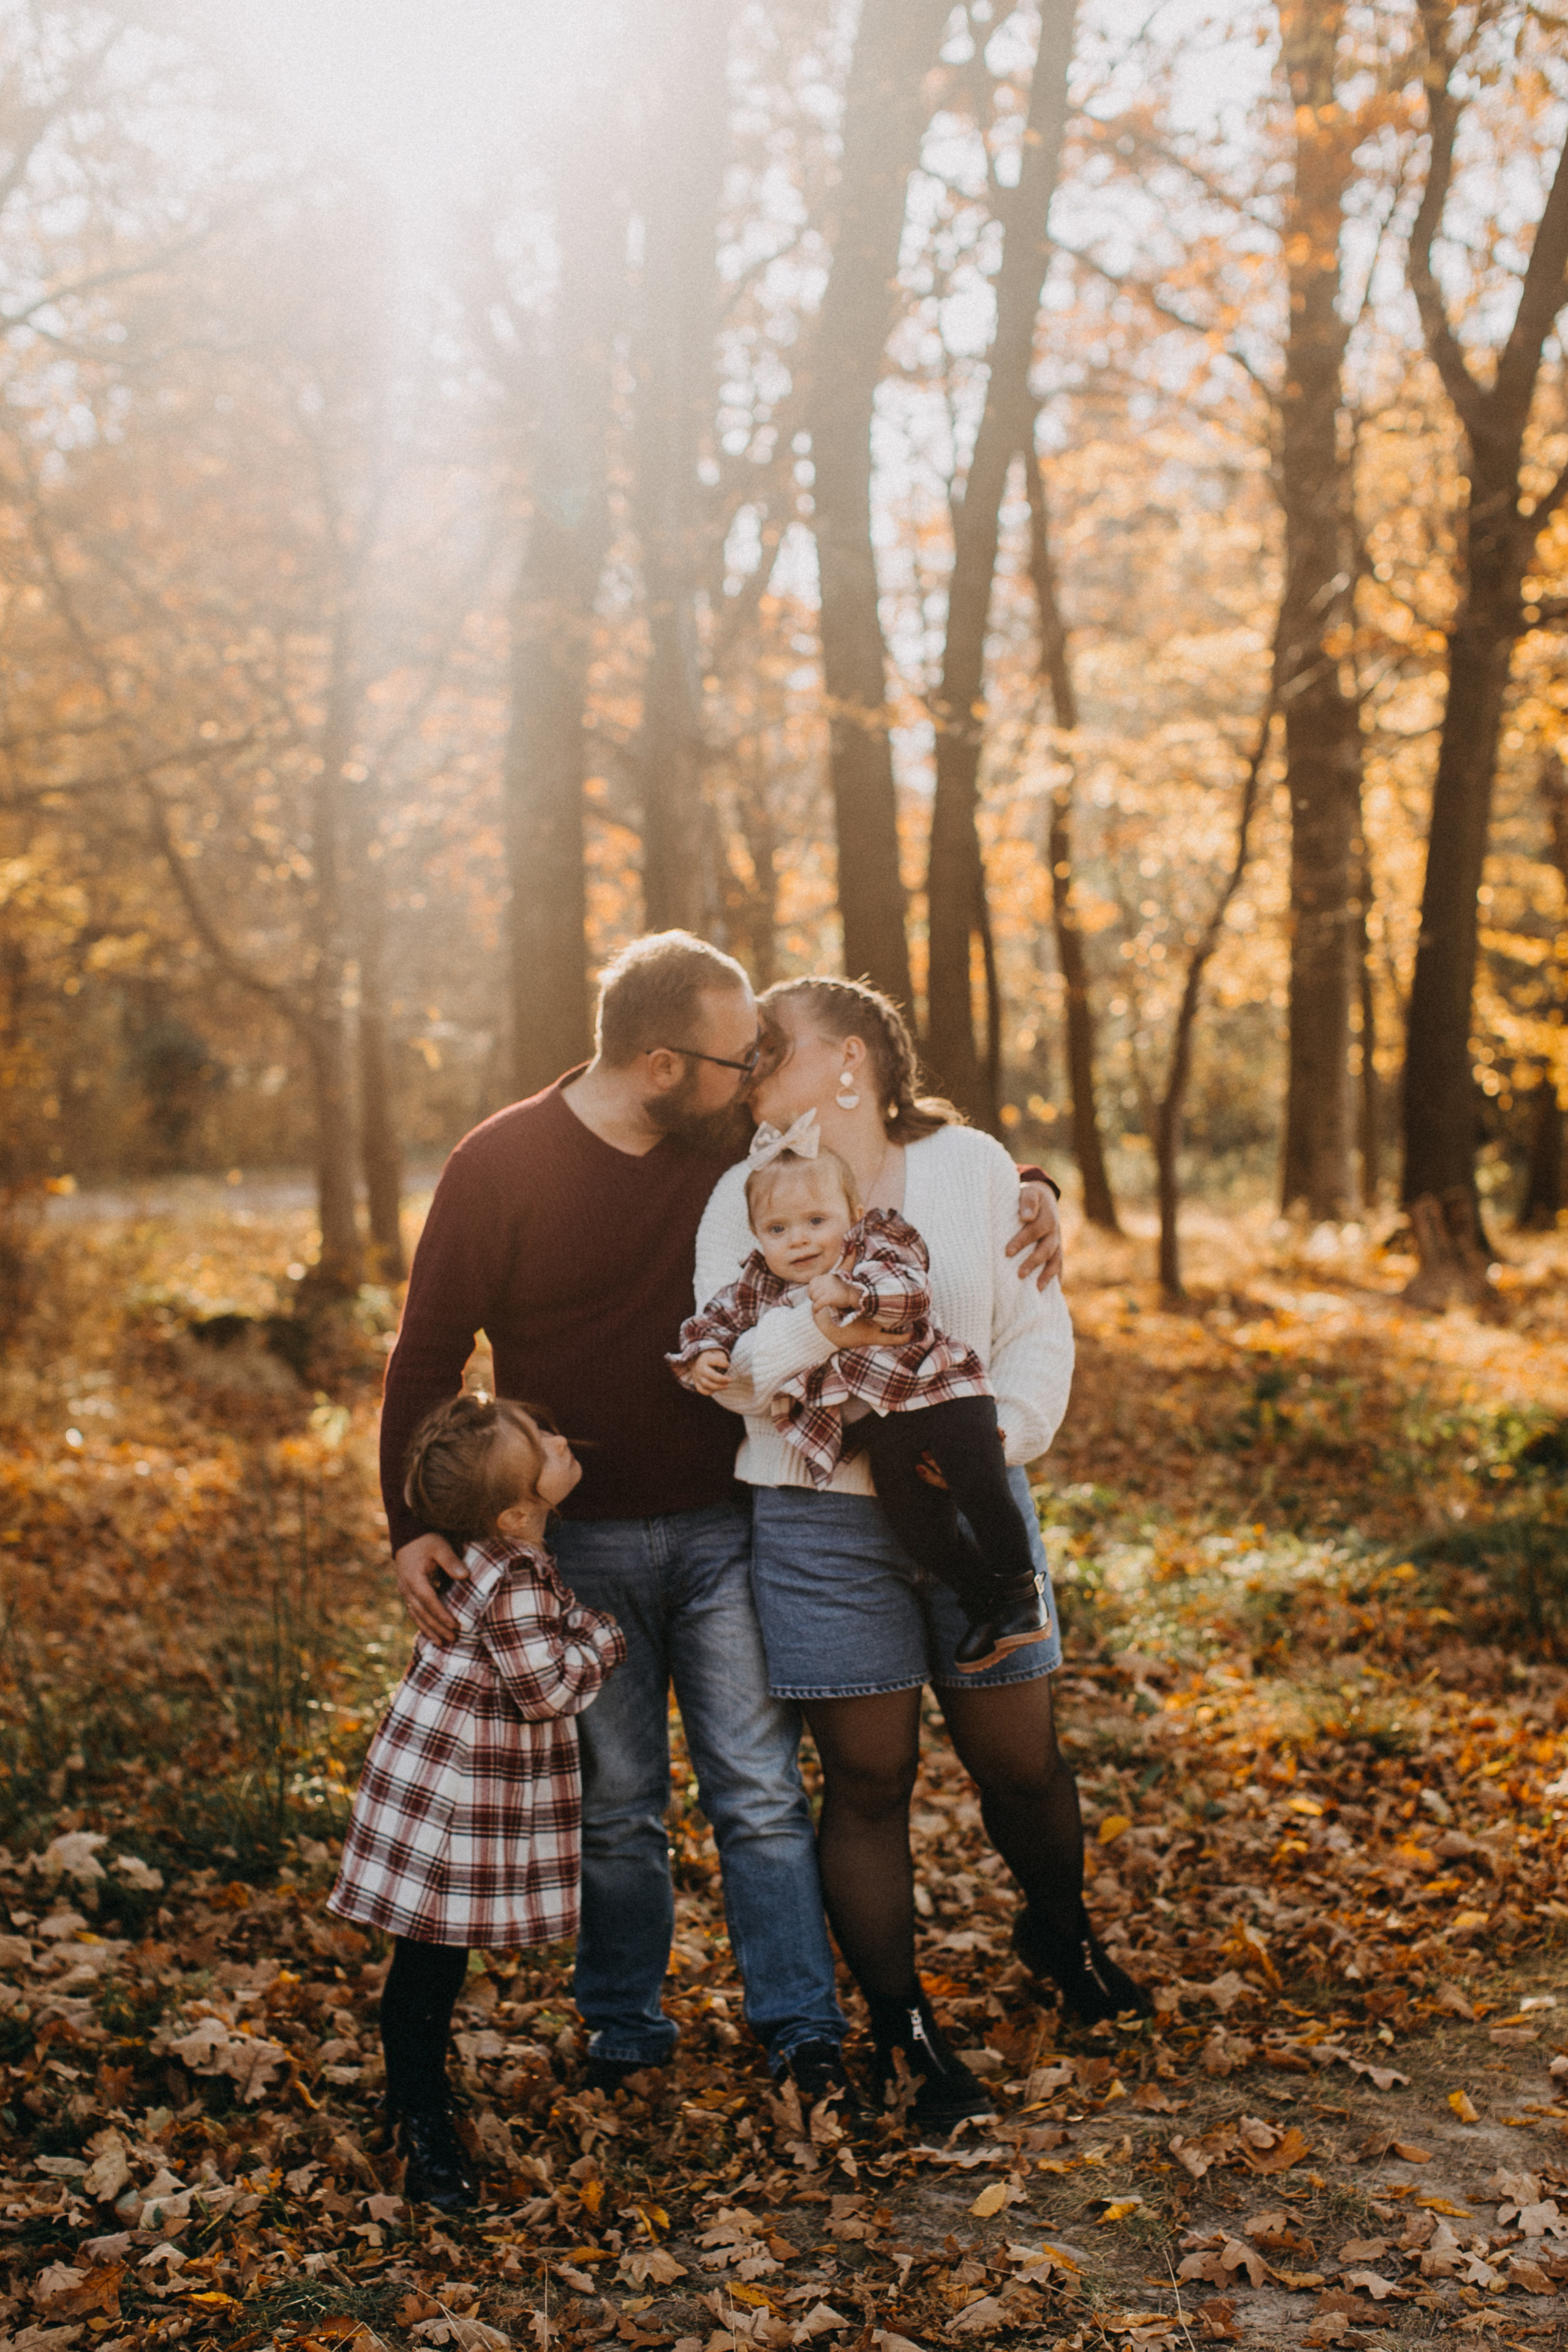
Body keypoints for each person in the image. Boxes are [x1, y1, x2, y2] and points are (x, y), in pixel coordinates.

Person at [382, 930, 1064, 2100]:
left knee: (758, 1791)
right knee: (622, 1805)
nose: (750, 1074)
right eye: (731, 1056)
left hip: (725, 1524)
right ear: (660, 1063)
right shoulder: (502, 1164)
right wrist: (409, 1522)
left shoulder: (733, 1153)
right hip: (581, 1540)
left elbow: (894, 1165)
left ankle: (801, 2027)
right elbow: (430, 1348)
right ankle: (626, 2030)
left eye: (762, 1054)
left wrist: (1044, 1184)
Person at [695, 976, 1152, 2125]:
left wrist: (997, 1439)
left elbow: (1040, 1325)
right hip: (819, 1523)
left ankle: (1061, 1931)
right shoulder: (740, 1196)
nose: (750, 1072)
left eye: (771, 1051)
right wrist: (825, 1323)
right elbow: (735, 1372)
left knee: (1020, 1760)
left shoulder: (978, 1169)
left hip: (973, 1502)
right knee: (868, 1781)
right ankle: (904, 2033)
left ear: (848, 1059)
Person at [330, 1393, 625, 2211]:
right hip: (460, 1795)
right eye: (547, 1444)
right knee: (429, 1960)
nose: (564, 1441)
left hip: (437, 1773)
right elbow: (546, 1689)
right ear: (518, 1508)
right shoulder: (520, 1575)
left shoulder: (485, 1554)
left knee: (426, 1957)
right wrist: (604, 1636)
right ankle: (419, 2117)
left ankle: (414, 2097)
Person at [669, 1120, 1048, 1672]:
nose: (798, 1239)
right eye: (777, 1229)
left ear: (851, 1218)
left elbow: (913, 1292)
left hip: (944, 1393)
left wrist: (854, 1294)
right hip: (883, 1431)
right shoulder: (760, 1284)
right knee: (918, 1526)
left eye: (816, 1221)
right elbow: (713, 1322)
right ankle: (983, 1596)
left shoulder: (874, 1248)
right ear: (757, 1236)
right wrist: (703, 1355)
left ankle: (1019, 1590)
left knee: (983, 1488)